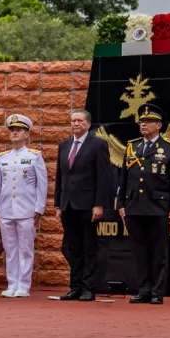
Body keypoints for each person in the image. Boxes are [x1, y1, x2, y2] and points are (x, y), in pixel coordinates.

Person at [117, 103, 170, 305]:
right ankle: (143, 290)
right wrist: (121, 204)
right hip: (134, 207)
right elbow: (123, 179)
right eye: (141, 121)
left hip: (158, 208)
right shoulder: (132, 147)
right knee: (139, 252)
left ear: (159, 125)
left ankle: (157, 292)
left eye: (148, 122)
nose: (143, 125)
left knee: (158, 253)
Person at [54, 110, 111, 302]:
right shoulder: (64, 145)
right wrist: (57, 204)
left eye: (79, 120)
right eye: (72, 121)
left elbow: (104, 177)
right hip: (67, 205)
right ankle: (74, 287)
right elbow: (60, 177)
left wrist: (99, 204)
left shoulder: (98, 144)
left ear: (88, 124)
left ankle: (88, 288)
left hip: (88, 205)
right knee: (73, 248)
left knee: (89, 248)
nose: (75, 123)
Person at [0, 114, 47, 298]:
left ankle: (23, 285)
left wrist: (39, 208)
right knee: (10, 249)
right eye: (12, 130)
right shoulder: (3, 158)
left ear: (26, 134)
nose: (14, 133)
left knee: (25, 248)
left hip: (26, 209)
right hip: (7, 208)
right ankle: (12, 284)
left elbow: (42, 184)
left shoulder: (34, 156)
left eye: (19, 130)